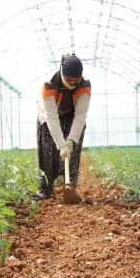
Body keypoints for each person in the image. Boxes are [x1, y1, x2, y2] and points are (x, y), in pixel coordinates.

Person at [34, 53, 90, 203]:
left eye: (76, 79)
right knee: (47, 151)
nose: (73, 83)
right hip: (48, 117)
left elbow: (80, 116)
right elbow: (52, 117)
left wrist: (70, 141)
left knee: (73, 151)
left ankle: (70, 186)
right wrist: (61, 145)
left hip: (71, 115)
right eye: (69, 79)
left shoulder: (84, 86)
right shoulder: (49, 85)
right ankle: (45, 189)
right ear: (62, 73)